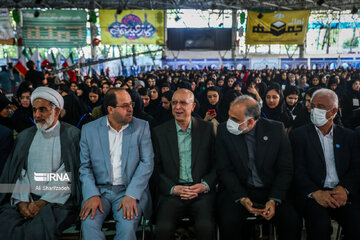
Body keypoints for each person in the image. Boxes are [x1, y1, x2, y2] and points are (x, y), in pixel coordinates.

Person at [0, 86, 81, 239]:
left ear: (56, 111)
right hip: (26, 197)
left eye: (42, 109)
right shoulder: (25, 137)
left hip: (57, 202)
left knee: (39, 230)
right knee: (6, 223)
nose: (37, 115)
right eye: (34, 110)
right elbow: (18, 172)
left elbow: (68, 174)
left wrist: (43, 201)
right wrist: (22, 201)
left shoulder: (72, 136)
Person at [216, 95, 301, 240]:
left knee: (291, 222)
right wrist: (242, 198)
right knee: (228, 222)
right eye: (230, 116)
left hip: (271, 189)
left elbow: (285, 169)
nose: (230, 122)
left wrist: (274, 199)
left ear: (249, 122)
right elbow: (225, 169)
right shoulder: (224, 131)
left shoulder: (276, 130)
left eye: (235, 119)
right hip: (239, 188)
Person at [79, 88, 154, 240]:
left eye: (131, 104)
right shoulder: (89, 130)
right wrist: (92, 194)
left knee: (127, 230)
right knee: (88, 225)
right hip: (99, 191)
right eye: (125, 105)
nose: (131, 109)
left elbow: (147, 162)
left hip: (128, 189)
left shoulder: (142, 127)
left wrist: (132, 194)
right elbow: (85, 167)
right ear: (110, 109)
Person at [290, 88, 360, 240]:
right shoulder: (298, 136)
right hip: (313, 196)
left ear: (333, 111)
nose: (314, 110)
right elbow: (297, 170)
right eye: (312, 105)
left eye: (320, 107)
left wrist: (344, 189)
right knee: (319, 227)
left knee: (356, 224)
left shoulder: (349, 136)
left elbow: (356, 168)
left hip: (341, 194)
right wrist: (316, 193)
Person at [152, 89, 216, 240]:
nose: (177, 107)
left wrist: (205, 185)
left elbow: (217, 164)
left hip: (200, 193)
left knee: (206, 228)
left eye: (183, 103)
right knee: (162, 229)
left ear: (193, 106)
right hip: (173, 193)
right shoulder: (159, 132)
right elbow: (155, 168)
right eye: (174, 103)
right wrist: (172, 188)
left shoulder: (206, 129)